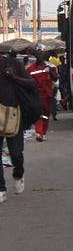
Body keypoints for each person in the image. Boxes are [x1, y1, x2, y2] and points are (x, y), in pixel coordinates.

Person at [0, 49, 35, 203]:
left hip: (12, 115)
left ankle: (19, 173)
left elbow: (32, 83)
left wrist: (13, 77)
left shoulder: (13, 64)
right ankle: (1, 189)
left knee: (15, 154)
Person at [27, 48, 59, 142]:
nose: (40, 56)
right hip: (36, 95)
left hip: (48, 95)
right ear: (35, 56)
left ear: (44, 56)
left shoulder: (51, 67)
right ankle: (38, 132)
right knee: (39, 114)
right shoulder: (30, 68)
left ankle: (43, 133)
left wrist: (50, 71)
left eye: (41, 54)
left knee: (46, 115)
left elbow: (55, 79)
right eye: (38, 54)